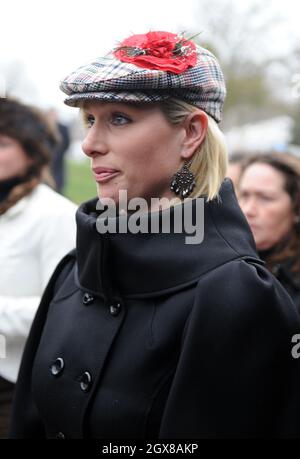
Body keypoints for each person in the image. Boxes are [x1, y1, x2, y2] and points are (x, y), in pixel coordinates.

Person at [10, 31, 300, 439]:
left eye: (120, 118)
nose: (90, 144)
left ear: (191, 134)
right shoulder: (73, 270)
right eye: (90, 119)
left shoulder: (234, 293)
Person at [0, 98, 77, 438]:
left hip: (16, 387)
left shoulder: (55, 215)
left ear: (32, 152)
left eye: (2, 143)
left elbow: (62, 310)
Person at [238, 152, 300, 312]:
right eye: (244, 195)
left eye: (265, 198)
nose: (248, 210)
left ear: (296, 208)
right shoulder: (224, 264)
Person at [46, 108, 70, 193]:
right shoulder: (44, 126)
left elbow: (67, 143)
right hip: (47, 158)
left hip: (59, 159)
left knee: (58, 181)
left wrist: (59, 154)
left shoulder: (63, 128)